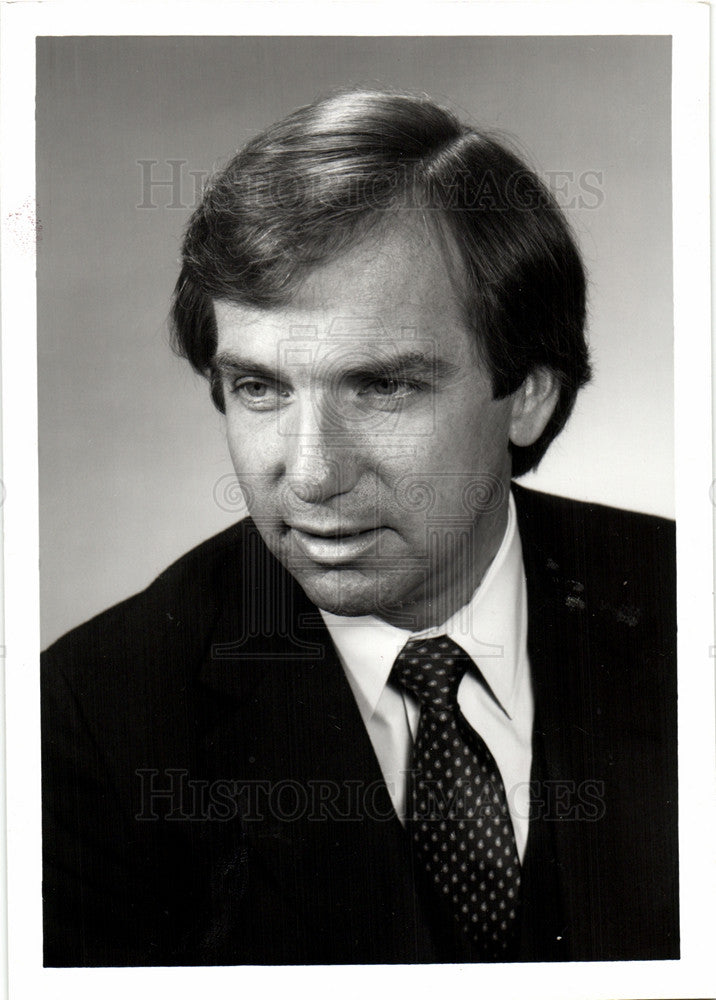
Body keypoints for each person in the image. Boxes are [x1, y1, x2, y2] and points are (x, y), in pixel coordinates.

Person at [41, 89, 678, 967]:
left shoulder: (691, 604)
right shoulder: (88, 720)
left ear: (528, 392)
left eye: (381, 388)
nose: (308, 475)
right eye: (260, 388)